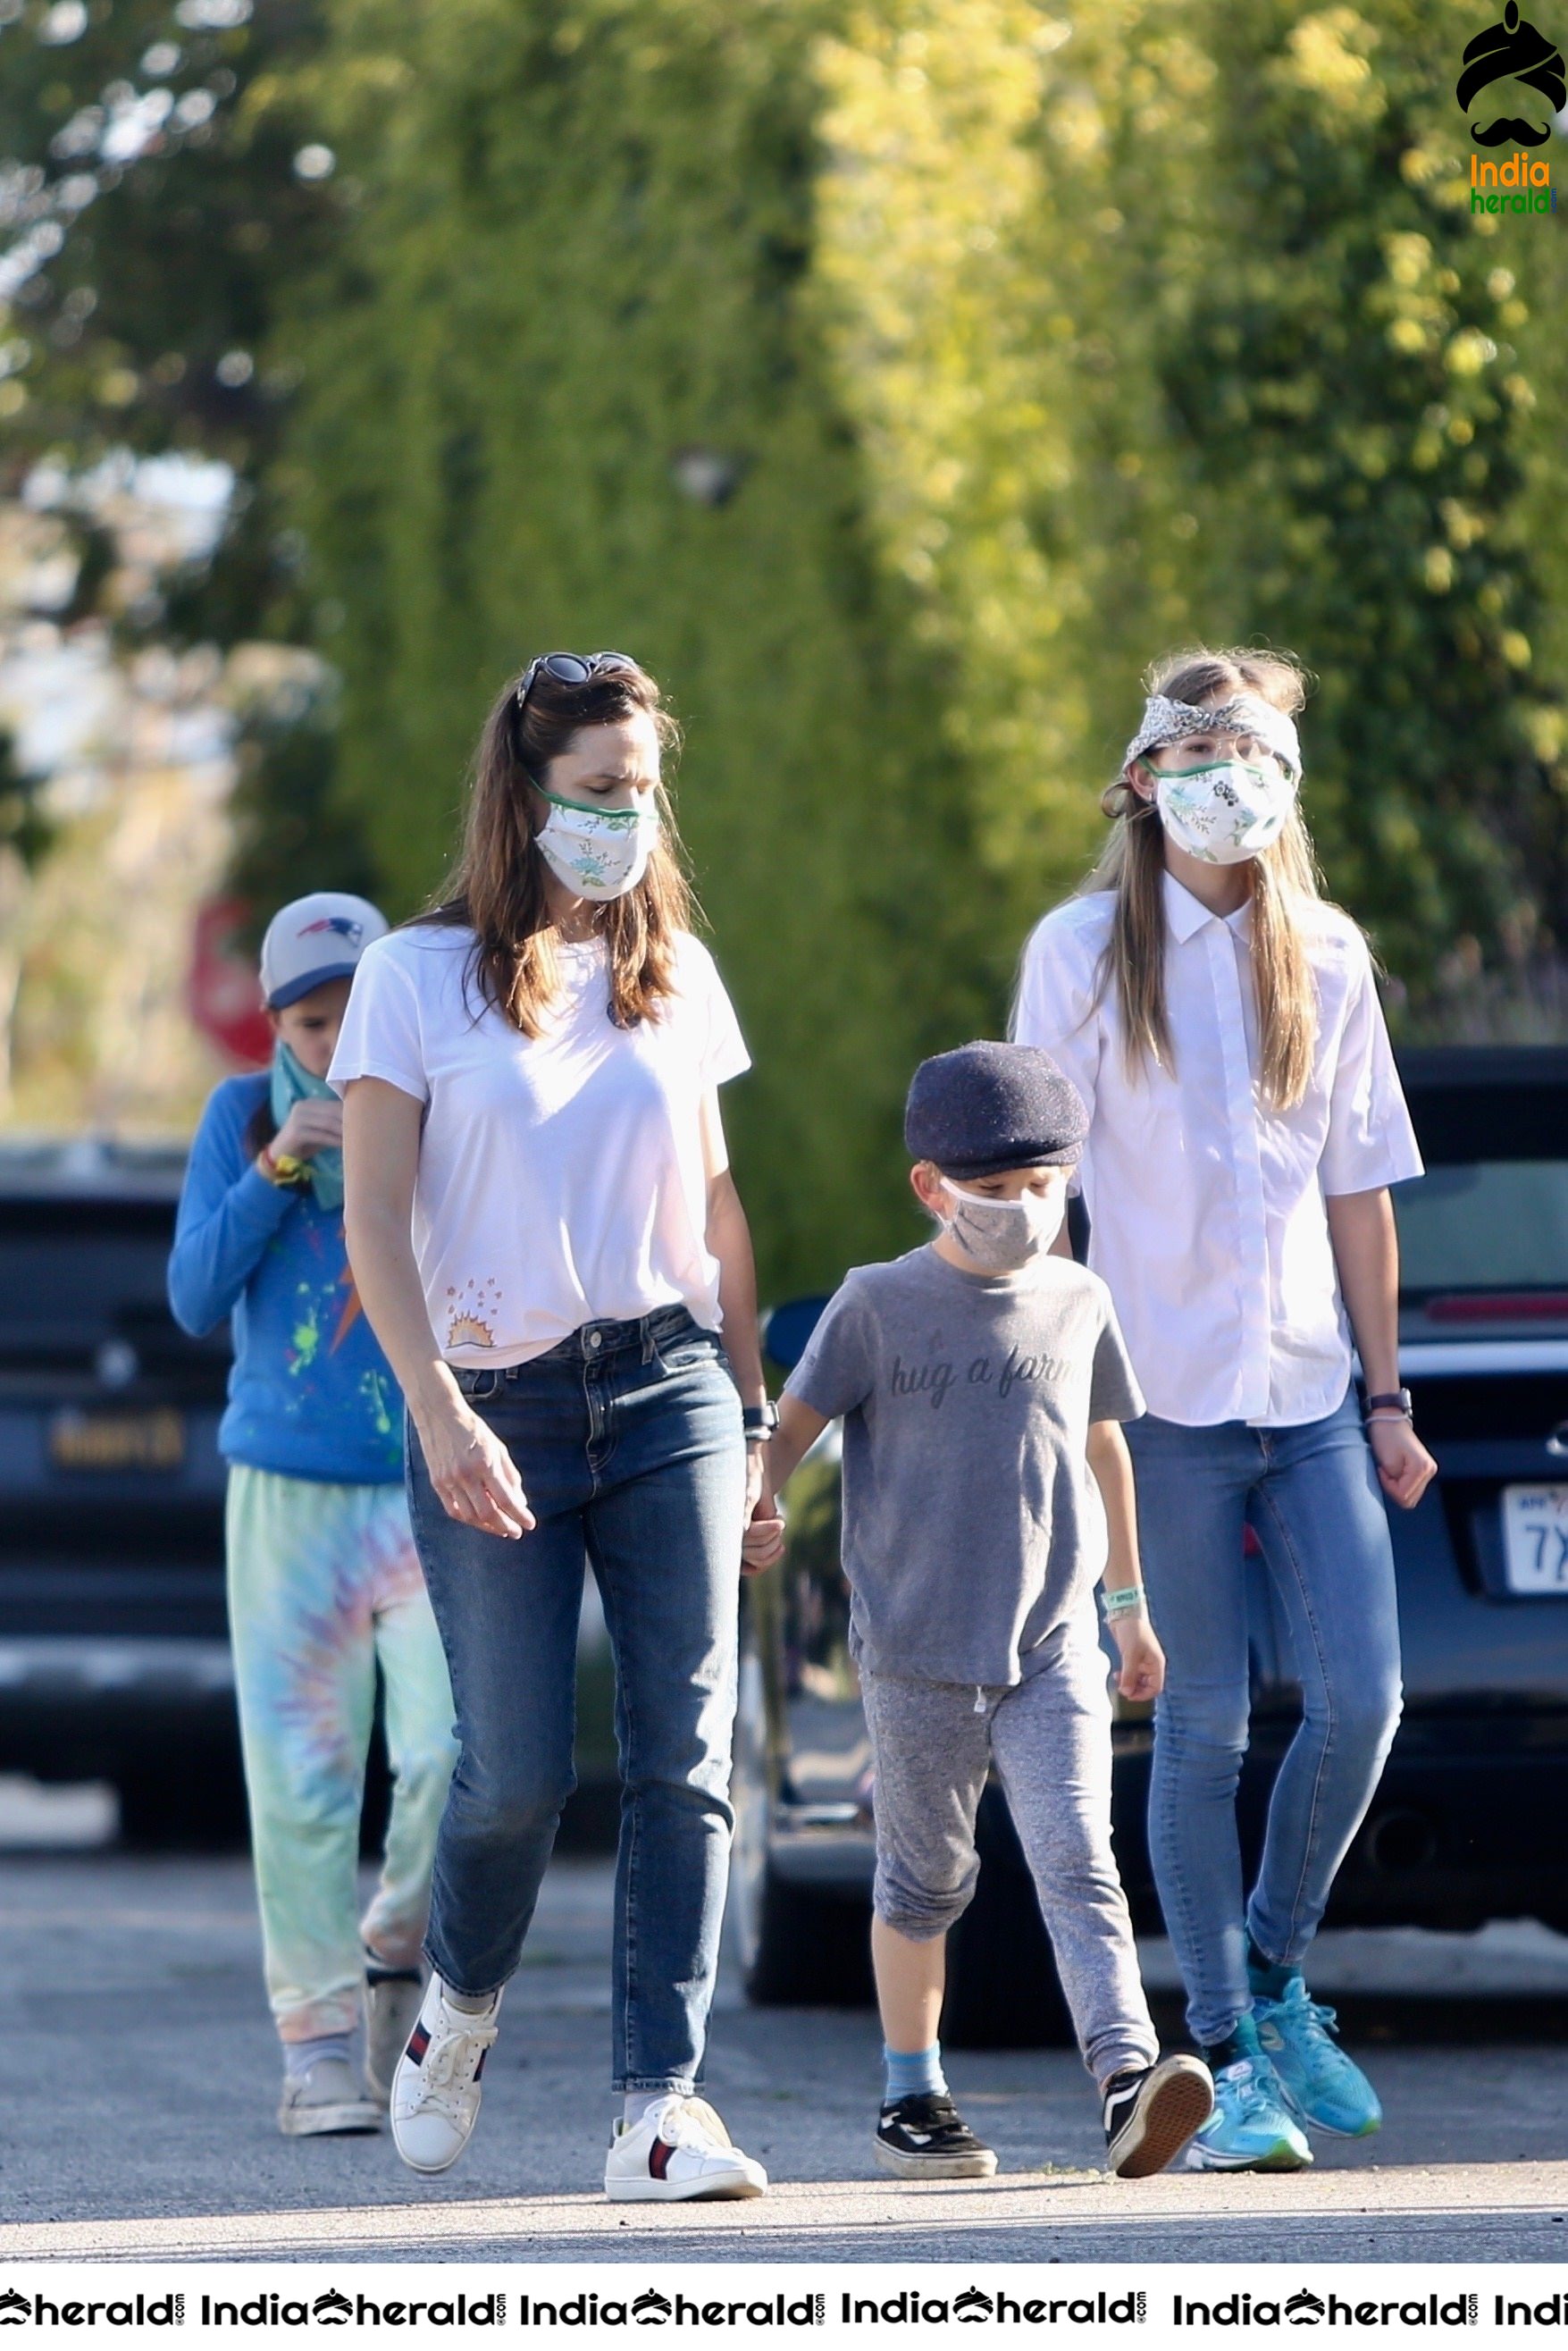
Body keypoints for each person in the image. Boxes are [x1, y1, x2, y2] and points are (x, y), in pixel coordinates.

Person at [330, 651, 772, 2204]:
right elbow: (374, 1222)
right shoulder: (410, 977)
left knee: (688, 1755)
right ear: (524, 796)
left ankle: (660, 2106)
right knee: (512, 1771)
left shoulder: (679, 974)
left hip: (667, 1390)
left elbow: (713, 1203)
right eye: (598, 792)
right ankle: (455, 2009)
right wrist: (438, 1412)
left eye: (644, 790)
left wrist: (755, 1410)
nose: (627, 818)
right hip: (492, 1405)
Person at [1013, 647, 1438, 2171]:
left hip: (1311, 1392)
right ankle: (1225, 2053)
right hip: (1161, 1403)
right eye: (1193, 761)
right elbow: (1038, 1191)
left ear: (1285, 782)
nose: (1222, 786)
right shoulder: (1077, 952)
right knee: (1196, 1721)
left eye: (1249, 759)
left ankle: (1272, 1962)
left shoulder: (1323, 951)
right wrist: (1050, 1394)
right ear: (1142, 783)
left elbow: (1363, 1194)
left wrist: (1388, 1397)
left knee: (1361, 1700)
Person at [744, 1041, 1214, 2181]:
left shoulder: (1079, 1298)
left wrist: (1130, 1609)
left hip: (1053, 1644)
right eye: (993, 1192)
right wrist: (754, 1504)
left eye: (1040, 1187)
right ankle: (915, 2095)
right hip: (914, 1653)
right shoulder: (877, 1304)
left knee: (1077, 1855)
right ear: (932, 1187)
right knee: (927, 1882)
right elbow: (792, 1431)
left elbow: (1106, 1448)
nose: (1019, 1210)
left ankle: (1126, 2080)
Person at [168, 892, 457, 2138]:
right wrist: (280, 1166)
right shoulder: (237, 1118)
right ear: (276, 1022)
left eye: (356, 1012)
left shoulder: (440, 1102)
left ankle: (397, 1943)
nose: (337, 1040)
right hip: (287, 1492)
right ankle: (319, 2045)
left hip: (425, 1482)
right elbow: (191, 1295)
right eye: (312, 1015)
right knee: (299, 1780)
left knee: (455, 1749)